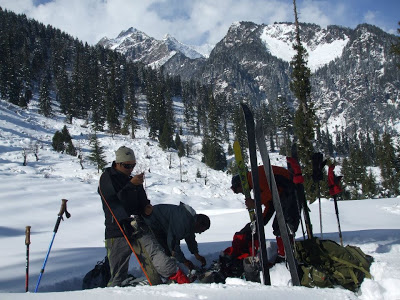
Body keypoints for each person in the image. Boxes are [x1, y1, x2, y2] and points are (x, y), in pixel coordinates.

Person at [98, 146, 190, 286]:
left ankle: (176, 277)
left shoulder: (131, 179)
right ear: (117, 163)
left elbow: (141, 202)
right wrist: (131, 185)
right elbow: (114, 203)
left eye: (133, 165)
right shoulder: (107, 178)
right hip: (117, 230)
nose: (130, 169)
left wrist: (146, 207)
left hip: (137, 226)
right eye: (127, 165)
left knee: (156, 254)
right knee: (118, 273)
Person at [229, 165, 300, 262]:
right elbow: (270, 204)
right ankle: (285, 253)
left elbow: (272, 191)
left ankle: (285, 255)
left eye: (239, 191)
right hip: (285, 192)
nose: (242, 193)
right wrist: (260, 220)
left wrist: (255, 203)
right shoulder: (254, 181)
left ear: (240, 184)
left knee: (282, 225)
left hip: (290, 189)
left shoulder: (255, 176)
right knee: (280, 225)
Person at [143, 202, 210, 271]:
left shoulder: (190, 221)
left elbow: (190, 238)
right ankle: (164, 271)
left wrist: (196, 254)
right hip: (151, 221)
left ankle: (171, 268)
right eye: (201, 230)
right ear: (198, 225)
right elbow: (173, 242)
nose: (200, 233)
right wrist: (184, 261)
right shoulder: (183, 222)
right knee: (163, 250)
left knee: (169, 250)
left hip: (161, 224)